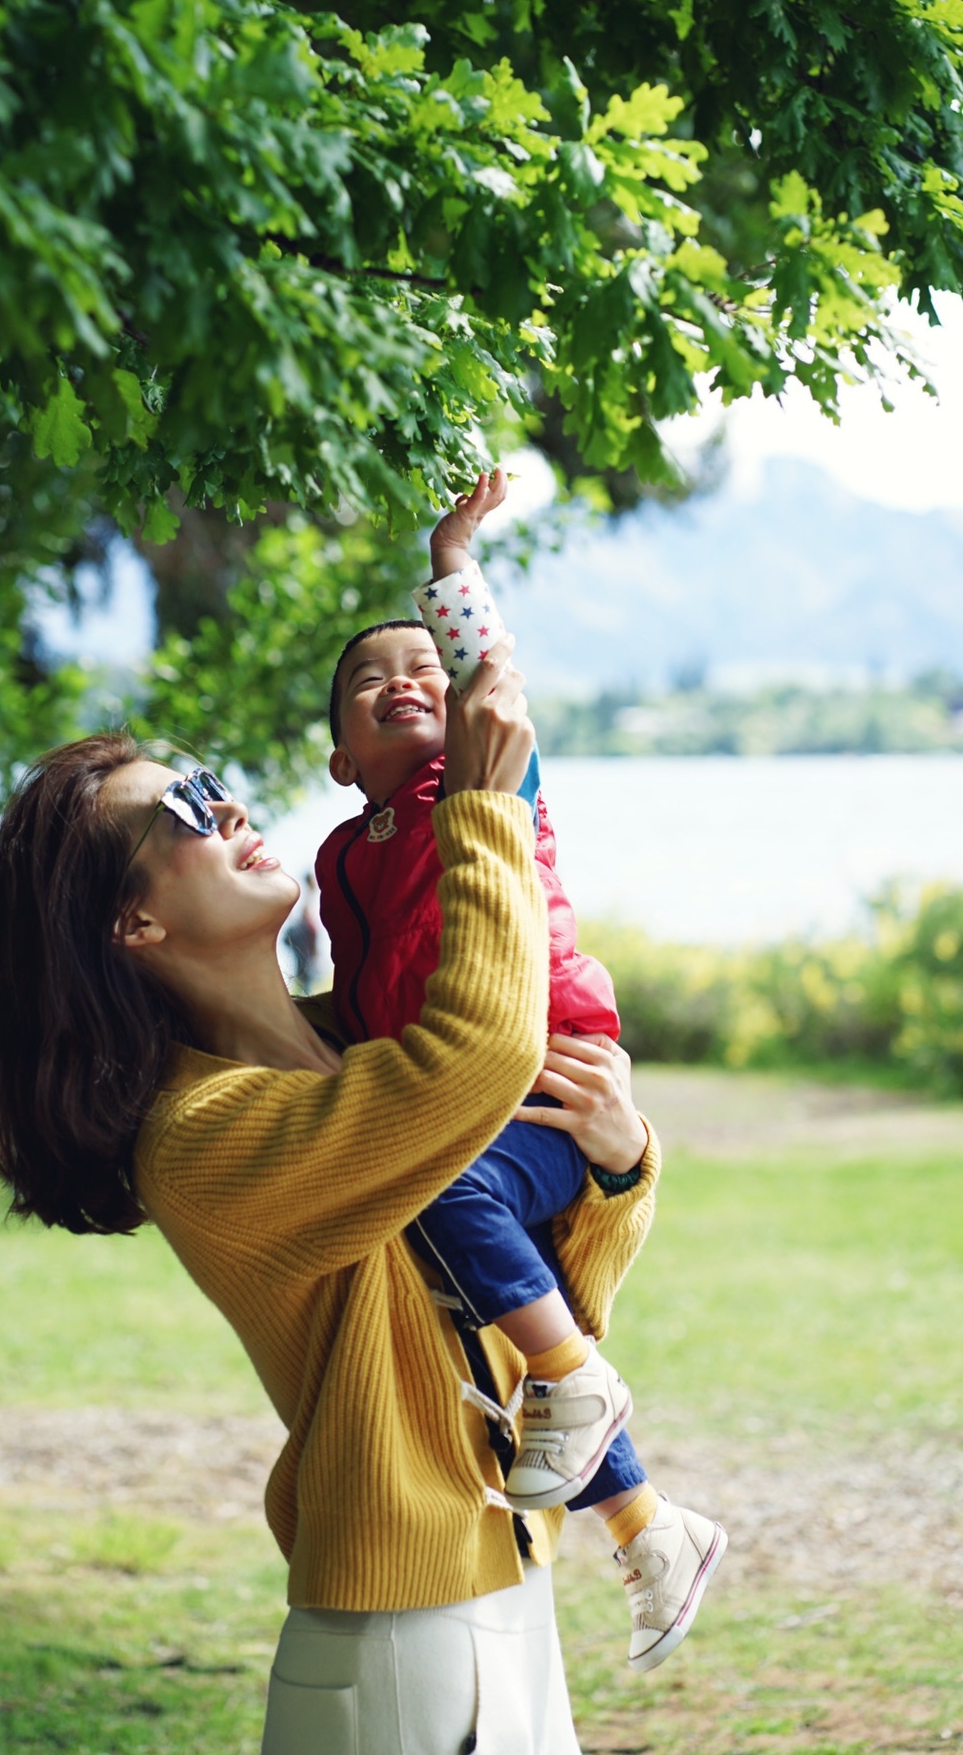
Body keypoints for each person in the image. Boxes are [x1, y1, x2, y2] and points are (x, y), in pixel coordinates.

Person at [0, 650, 659, 1753]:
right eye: (182, 811)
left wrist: (614, 1169)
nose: (224, 803)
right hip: (399, 1643)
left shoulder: (358, 1044)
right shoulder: (202, 1136)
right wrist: (480, 810)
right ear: (132, 925)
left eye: (210, 784)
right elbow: (481, 1052)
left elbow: (541, 1304)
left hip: (501, 1594)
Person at [316, 469, 726, 1673]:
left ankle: (577, 1379)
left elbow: (488, 674)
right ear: (338, 757)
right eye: (365, 684)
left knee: (443, 1202)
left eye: (422, 675)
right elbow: (355, 998)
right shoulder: (344, 853)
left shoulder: (483, 784)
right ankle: (650, 1530)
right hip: (465, 1094)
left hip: (549, 1070)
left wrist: (450, 558)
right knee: (501, 1314)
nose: (401, 684)